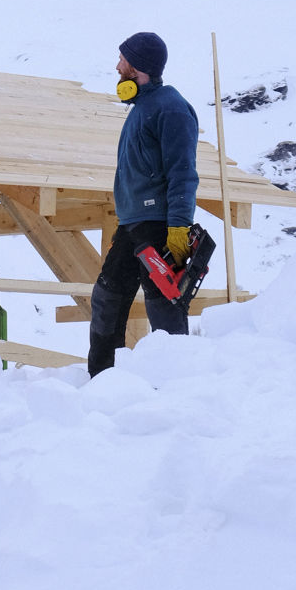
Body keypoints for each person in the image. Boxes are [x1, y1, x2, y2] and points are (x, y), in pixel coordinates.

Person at [87, 31, 201, 377]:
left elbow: (183, 171)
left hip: (160, 226)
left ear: (137, 67)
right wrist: (124, 223)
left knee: (162, 307)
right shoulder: (141, 108)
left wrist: (179, 225)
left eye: (122, 60)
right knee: (107, 299)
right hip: (133, 225)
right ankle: (104, 380)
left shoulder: (171, 108)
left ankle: (173, 383)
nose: (116, 66)